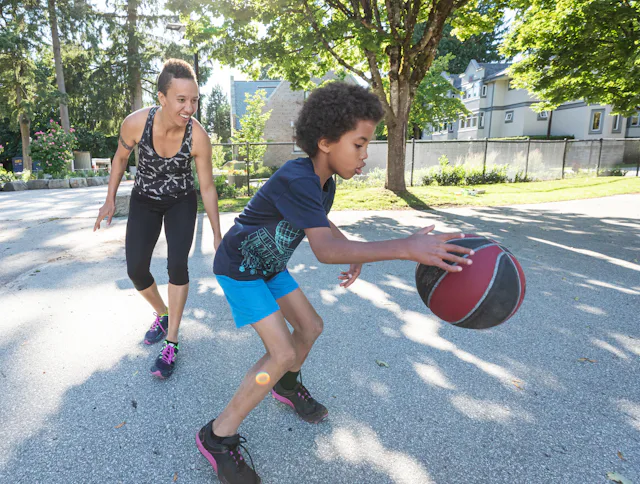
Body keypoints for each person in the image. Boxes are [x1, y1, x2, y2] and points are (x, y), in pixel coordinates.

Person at [195, 82, 474, 483]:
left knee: (310, 328)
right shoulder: (298, 175)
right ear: (325, 141)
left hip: (269, 264)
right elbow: (323, 251)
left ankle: (286, 387)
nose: (364, 156)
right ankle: (218, 434)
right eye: (359, 145)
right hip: (240, 267)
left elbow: (320, 223)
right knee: (280, 353)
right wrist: (407, 247)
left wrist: (348, 246)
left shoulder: (322, 181)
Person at [94, 58, 222, 379]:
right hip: (144, 200)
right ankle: (162, 313)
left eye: (194, 100)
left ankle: (172, 340)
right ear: (162, 97)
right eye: (181, 100)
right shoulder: (136, 124)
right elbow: (120, 158)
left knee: (177, 265)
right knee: (136, 269)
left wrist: (219, 234)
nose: (189, 107)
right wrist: (109, 199)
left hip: (180, 201)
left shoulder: (198, 136)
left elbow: (206, 187)